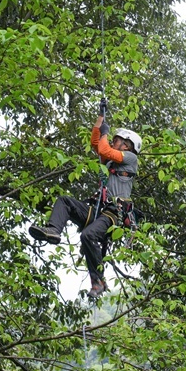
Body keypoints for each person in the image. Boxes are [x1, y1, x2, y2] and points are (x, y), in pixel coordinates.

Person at [29, 100, 141, 299]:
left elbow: (105, 149)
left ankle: (98, 282)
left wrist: (106, 133)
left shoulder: (130, 159)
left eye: (117, 140)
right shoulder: (110, 158)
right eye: (113, 139)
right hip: (97, 208)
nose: (113, 142)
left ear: (127, 145)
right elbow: (97, 143)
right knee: (64, 201)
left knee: (88, 235)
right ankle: (54, 231)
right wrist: (100, 117)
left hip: (113, 213)